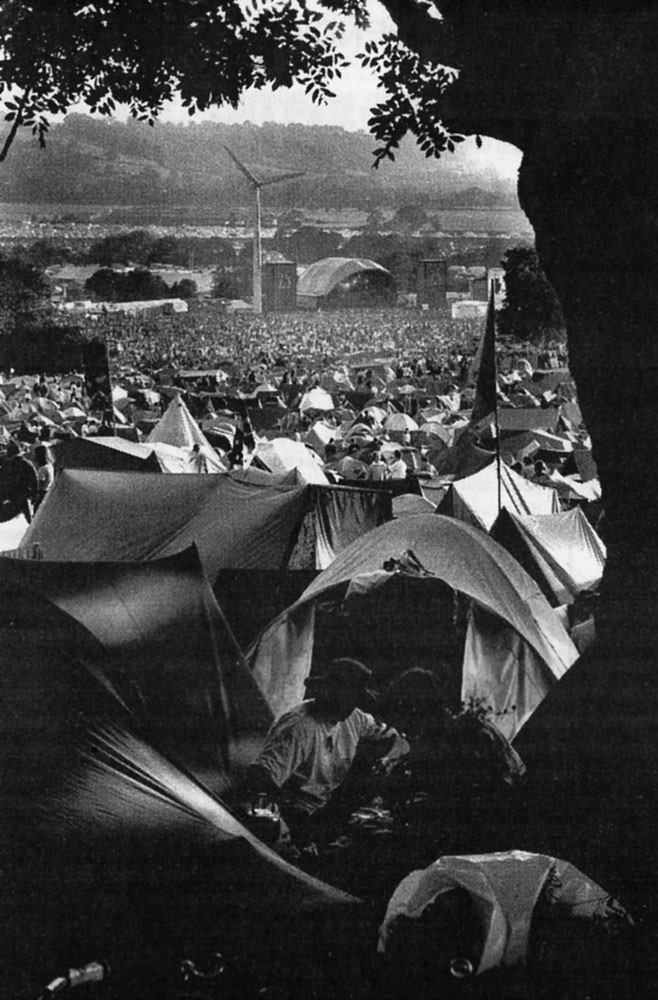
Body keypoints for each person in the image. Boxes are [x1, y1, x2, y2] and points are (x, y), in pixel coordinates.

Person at [243, 658, 398, 842]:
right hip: (294, 814)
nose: (345, 704)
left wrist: (385, 760)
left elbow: (393, 737)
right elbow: (259, 778)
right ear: (324, 691)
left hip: (326, 807)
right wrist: (291, 816)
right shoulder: (299, 727)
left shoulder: (355, 719)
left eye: (351, 698)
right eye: (338, 695)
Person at [378, 669, 526, 861]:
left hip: (492, 842)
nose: (408, 734)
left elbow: (473, 802)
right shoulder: (449, 732)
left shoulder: (470, 736)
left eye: (408, 727)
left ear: (418, 711)